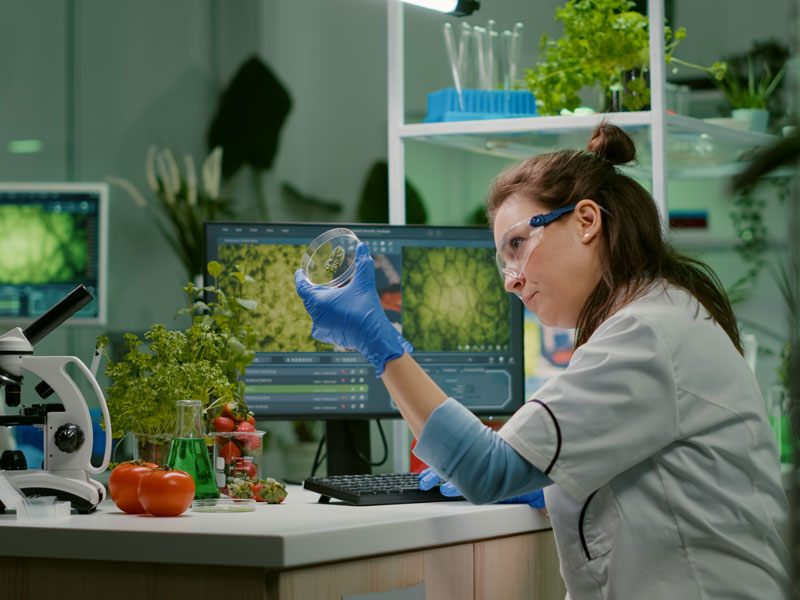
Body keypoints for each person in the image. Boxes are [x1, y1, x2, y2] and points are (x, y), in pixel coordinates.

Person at [295, 123, 792, 599]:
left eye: (517, 244)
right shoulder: (658, 314)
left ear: (586, 221)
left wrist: (378, 343)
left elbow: (487, 469)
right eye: (502, 259)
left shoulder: (645, 334)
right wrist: (549, 488)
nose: (511, 278)